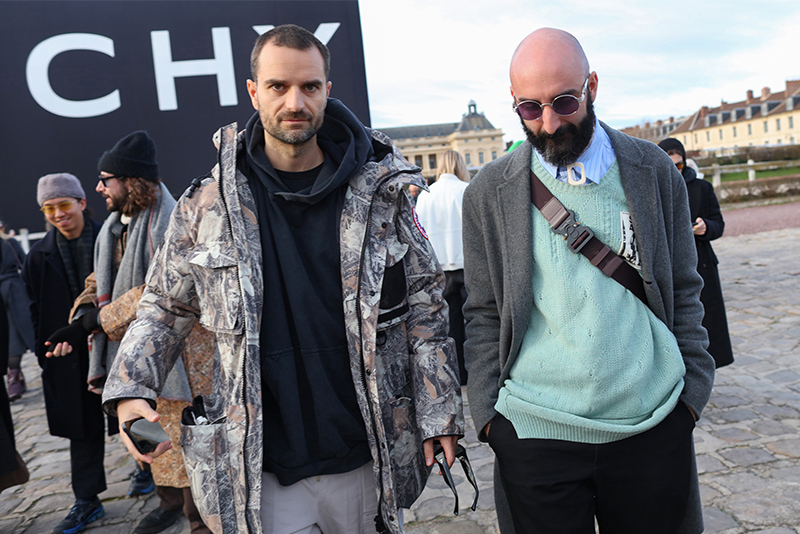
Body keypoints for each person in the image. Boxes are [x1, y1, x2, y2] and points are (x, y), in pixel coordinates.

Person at [102, 24, 463, 534]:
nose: (295, 101)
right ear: (253, 92)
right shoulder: (207, 206)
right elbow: (164, 307)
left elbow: (426, 308)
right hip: (259, 466)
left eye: (309, 87)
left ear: (327, 91)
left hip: (366, 455)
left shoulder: (383, 194)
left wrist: (439, 408)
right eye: (277, 86)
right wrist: (130, 386)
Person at [462, 28, 715, 534]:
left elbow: (686, 288)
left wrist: (691, 397)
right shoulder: (488, 192)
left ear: (592, 86)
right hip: (536, 432)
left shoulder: (653, 171)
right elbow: (483, 311)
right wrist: (491, 419)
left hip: (651, 423)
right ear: (513, 104)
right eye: (530, 109)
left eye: (564, 101)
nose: (550, 123)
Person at [46, 131, 211, 534]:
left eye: (107, 179)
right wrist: (84, 311)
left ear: (131, 181)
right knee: (152, 437)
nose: (99, 187)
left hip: (180, 358)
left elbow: (157, 291)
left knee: (187, 449)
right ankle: (167, 503)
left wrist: (97, 321)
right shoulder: (117, 227)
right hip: (138, 356)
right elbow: (101, 277)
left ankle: (199, 520)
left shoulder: (171, 222)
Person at [21, 173, 109, 534]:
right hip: (67, 355)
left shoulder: (110, 238)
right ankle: (87, 500)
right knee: (82, 429)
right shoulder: (38, 256)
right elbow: (35, 311)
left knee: (135, 415)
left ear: (81, 203)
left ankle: (148, 474)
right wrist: (45, 355)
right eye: (49, 208)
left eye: (63, 205)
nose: (58, 214)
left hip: (115, 343)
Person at [659, 138, 733, 368]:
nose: (676, 171)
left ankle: (709, 368)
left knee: (708, 320)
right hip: (668, 264)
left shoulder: (703, 187)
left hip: (702, 264)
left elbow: (718, 224)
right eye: (670, 166)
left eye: (679, 165)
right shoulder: (654, 189)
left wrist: (705, 227)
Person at [415, 150, 470, 384]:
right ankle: (475, 368)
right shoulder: (466, 190)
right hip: (467, 263)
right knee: (476, 321)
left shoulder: (426, 194)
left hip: (439, 265)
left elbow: (419, 231)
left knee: (450, 322)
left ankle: (457, 370)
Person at [1, 226, 35, 401]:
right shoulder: (10, 241)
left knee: (25, 330)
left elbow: (24, 263)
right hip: (12, 290)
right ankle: (14, 377)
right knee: (11, 335)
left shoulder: (10, 242)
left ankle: (15, 378)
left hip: (16, 291)